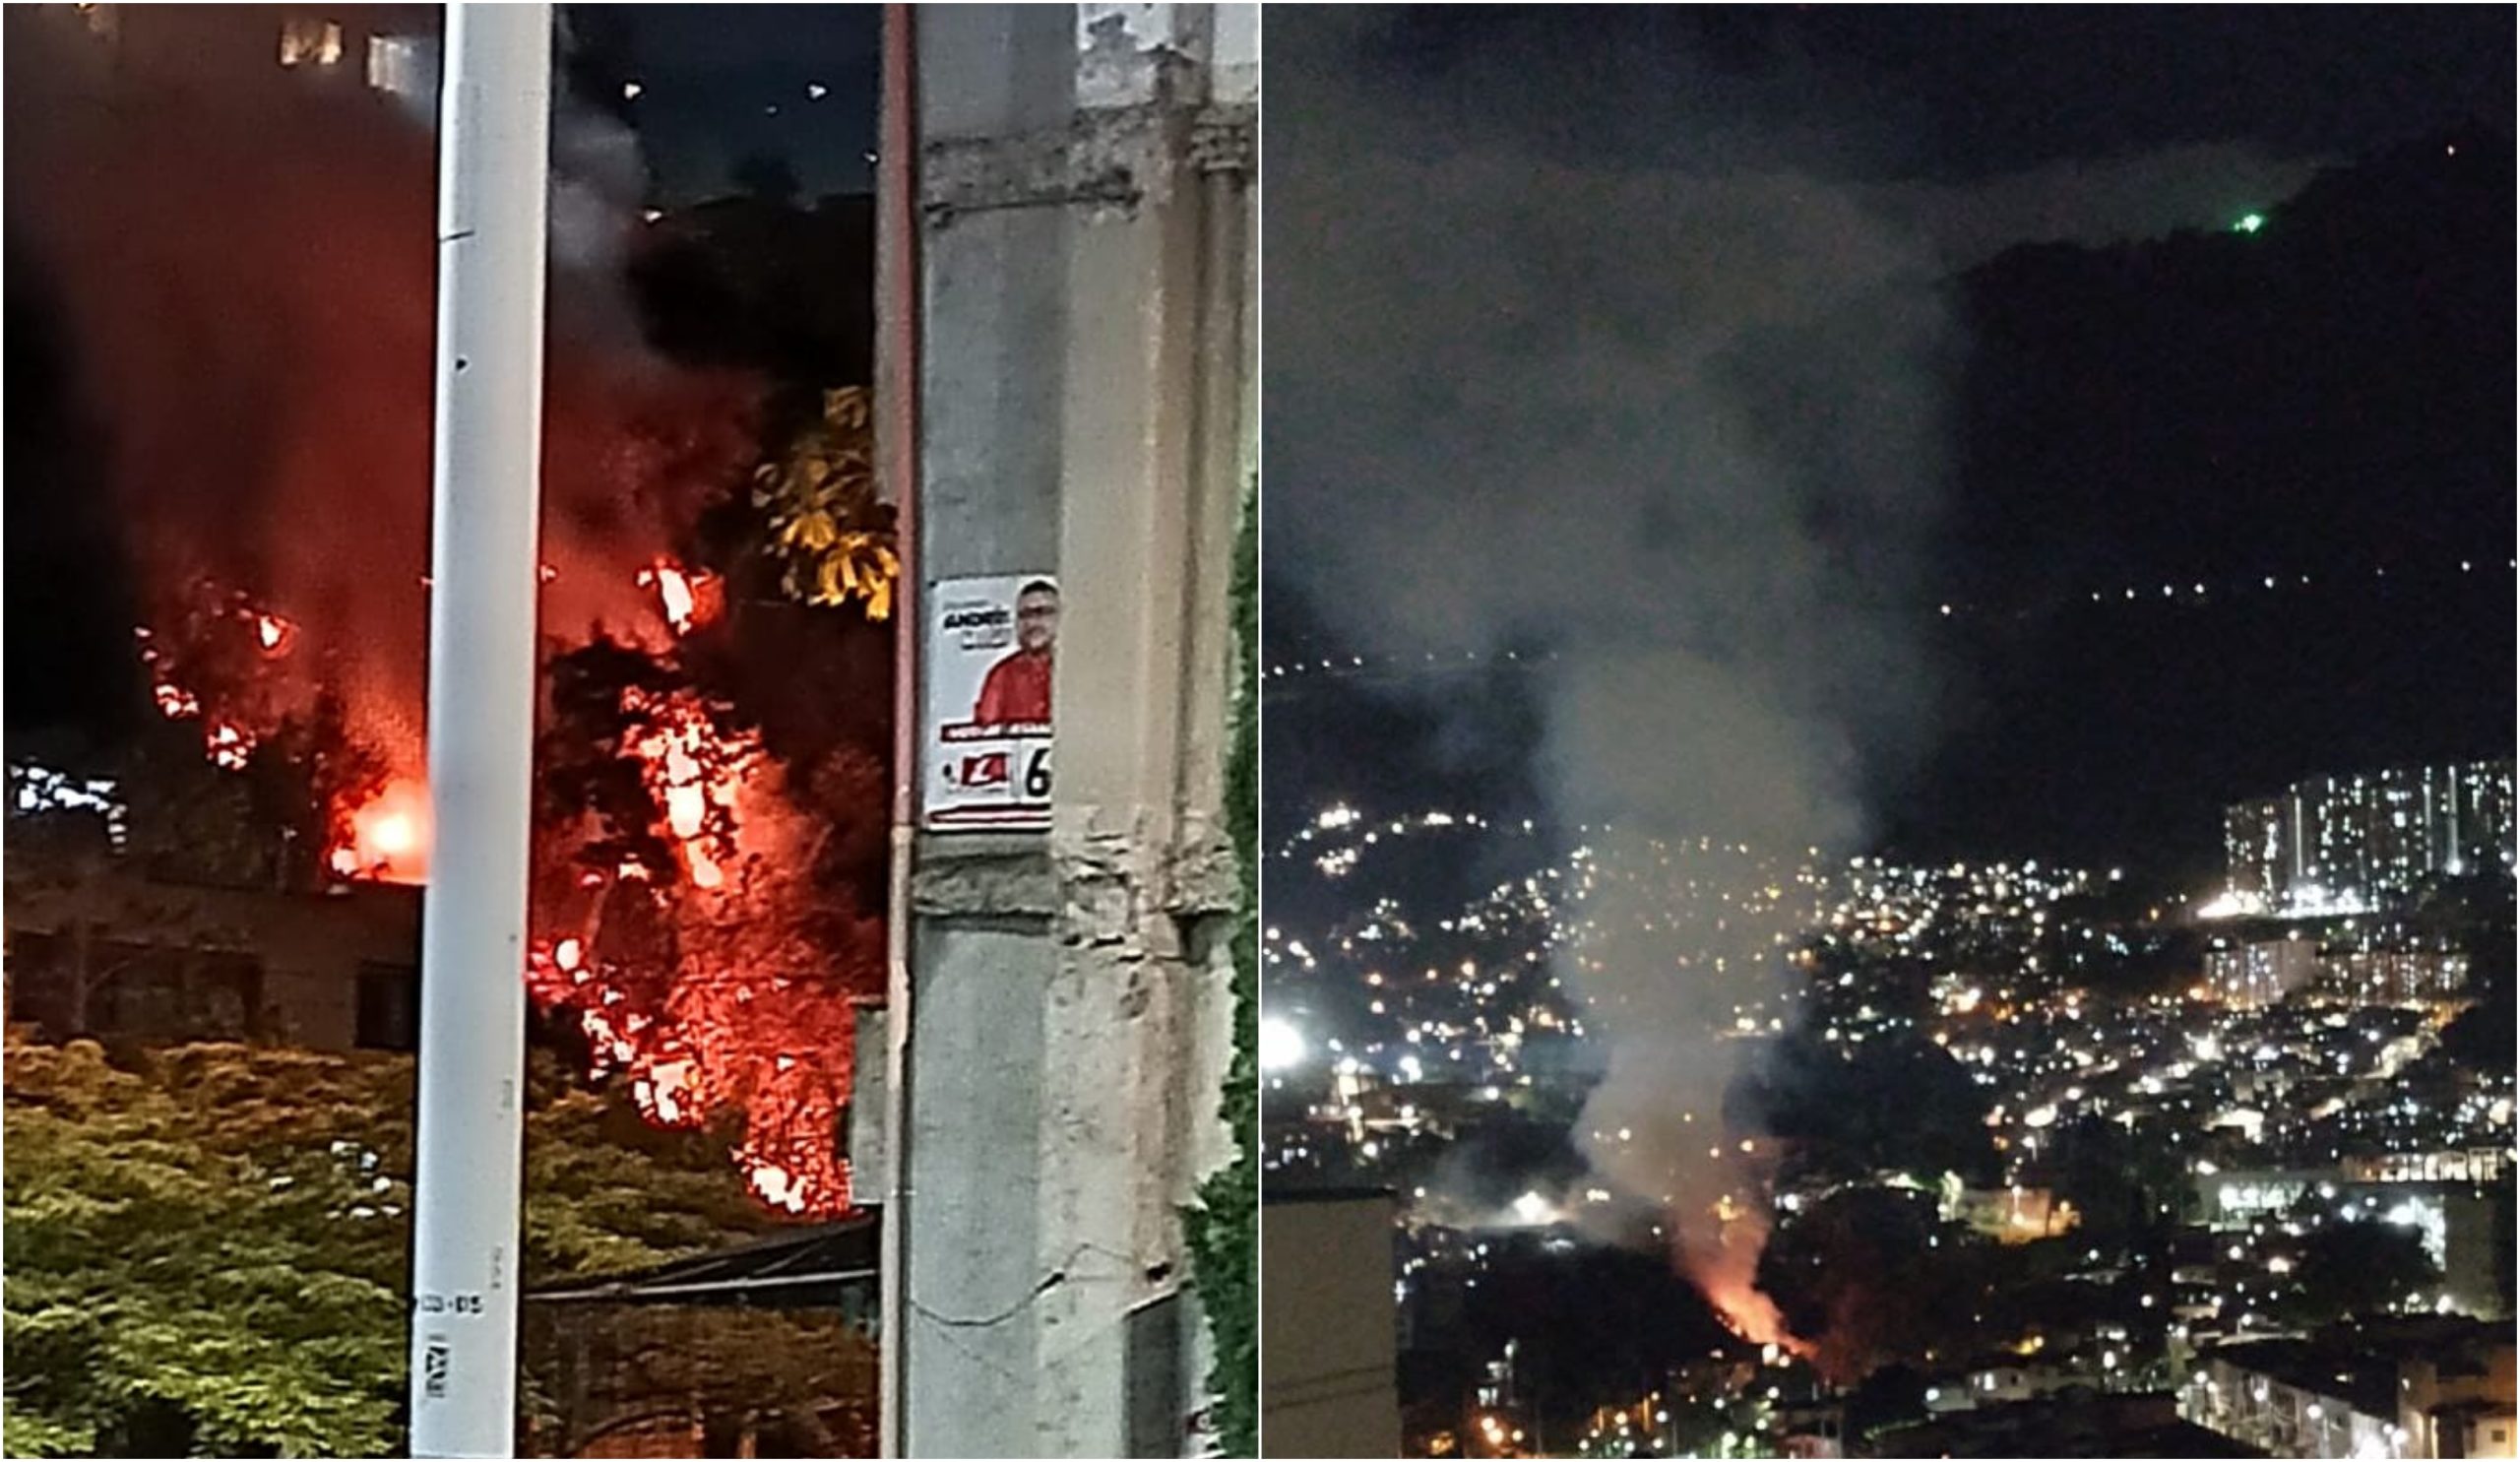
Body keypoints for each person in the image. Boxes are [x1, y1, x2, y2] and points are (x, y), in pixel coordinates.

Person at [973, 580, 1056, 726]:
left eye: (1041, 612)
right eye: (1024, 615)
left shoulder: (1080, 671)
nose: (1031, 622)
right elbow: (985, 734)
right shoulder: (1002, 675)